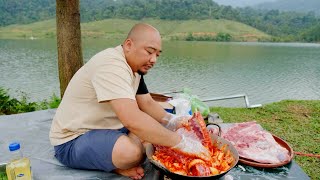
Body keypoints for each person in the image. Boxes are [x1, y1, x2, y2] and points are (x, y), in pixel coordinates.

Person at [49, 23, 209, 180]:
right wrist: (182, 143)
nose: (153, 60)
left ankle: (120, 151)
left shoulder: (134, 68)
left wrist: (172, 120)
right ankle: (117, 165)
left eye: (157, 55)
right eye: (149, 52)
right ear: (128, 45)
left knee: (158, 125)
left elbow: (146, 103)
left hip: (109, 128)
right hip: (74, 139)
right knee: (132, 153)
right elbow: (132, 119)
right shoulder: (111, 66)